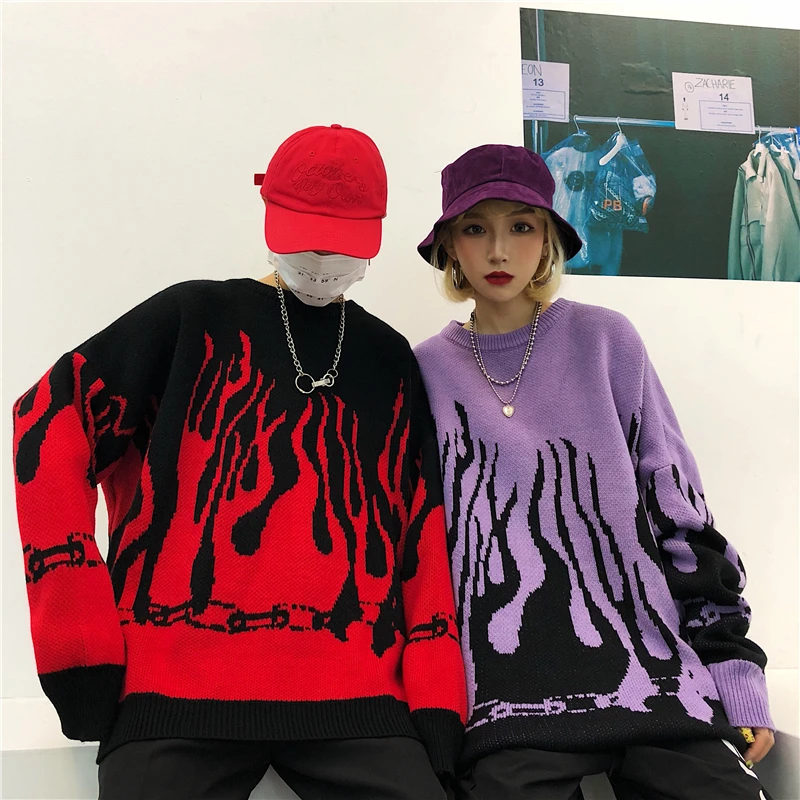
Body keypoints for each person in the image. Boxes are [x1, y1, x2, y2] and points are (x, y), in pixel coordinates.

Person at [12, 123, 466, 800]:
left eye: (343, 243)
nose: (322, 260)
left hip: (357, 693)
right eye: (307, 237)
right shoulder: (190, 318)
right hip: (173, 686)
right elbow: (47, 421)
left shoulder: (387, 357)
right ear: (268, 213)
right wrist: (79, 648)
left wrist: (436, 701)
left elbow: (421, 528)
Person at [413, 143, 775, 800]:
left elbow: (680, 514)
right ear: (450, 248)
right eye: (476, 229)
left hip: (655, 673)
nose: (499, 250)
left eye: (522, 226)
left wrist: (733, 673)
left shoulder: (607, 341)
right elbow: (422, 553)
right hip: (509, 693)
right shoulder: (424, 372)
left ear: (549, 239)